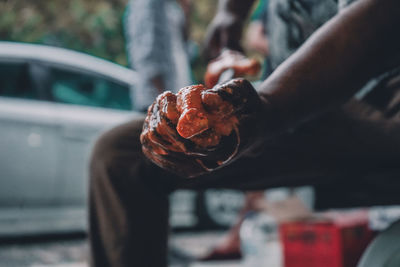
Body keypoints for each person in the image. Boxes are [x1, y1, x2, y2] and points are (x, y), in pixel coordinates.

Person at [89, 0, 400, 266]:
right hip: (305, 109)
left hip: (382, 104)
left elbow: (380, 15)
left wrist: (266, 105)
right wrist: (231, 15)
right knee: (123, 154)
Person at [124, 0, 192, 112]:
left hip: (177, 96)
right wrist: (165, 102)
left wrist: (186, 11)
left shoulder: (172, 6)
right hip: (156, 101)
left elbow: (186, 50)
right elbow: (147, 56)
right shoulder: (147, 4)